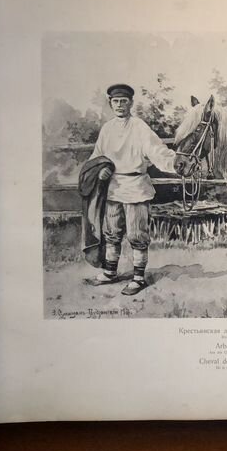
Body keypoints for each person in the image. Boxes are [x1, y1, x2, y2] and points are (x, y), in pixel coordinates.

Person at [87, 83, 177, 296]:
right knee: (111, 233)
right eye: (115, 101)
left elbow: (157, 151)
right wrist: (100, 170)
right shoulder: (107, 129)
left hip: (136, 187)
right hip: (113, 188)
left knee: (137, 234)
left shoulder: (139, 127)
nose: (119, 105)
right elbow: (97, 157)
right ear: (111, 103)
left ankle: (138, 278)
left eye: (123, 101)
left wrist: (176, 164)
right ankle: (110, 272)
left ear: (131, 103)